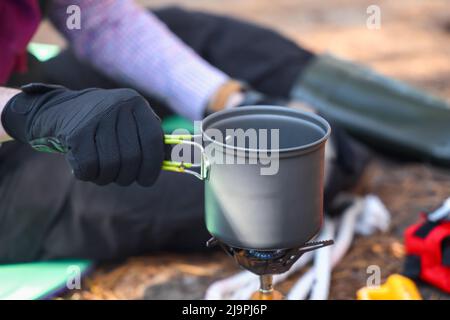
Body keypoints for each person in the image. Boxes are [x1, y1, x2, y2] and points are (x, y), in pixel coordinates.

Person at [0, 1, 368, 262]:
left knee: (210, 39)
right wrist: (32, 112)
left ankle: (394, 124)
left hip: (24, 89)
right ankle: (335, 158)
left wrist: (229, 101)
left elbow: (97, 20)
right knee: (255, 196)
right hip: (14, 144)